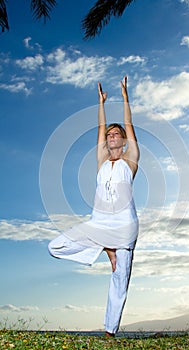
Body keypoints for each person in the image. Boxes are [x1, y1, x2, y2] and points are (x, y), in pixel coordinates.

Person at [48, 76, 140, 337]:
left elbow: (130, 125)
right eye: (109, 134)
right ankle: (103, 246)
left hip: (123, 226)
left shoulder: (130, 160)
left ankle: (110, 331)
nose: (112, 136)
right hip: (99, 224)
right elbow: (99, 128)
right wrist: (100, 103)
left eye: (117, 134)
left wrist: (125, 98)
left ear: (123, 141)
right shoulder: (101, 160)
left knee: (120, 277)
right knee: (55, 247)